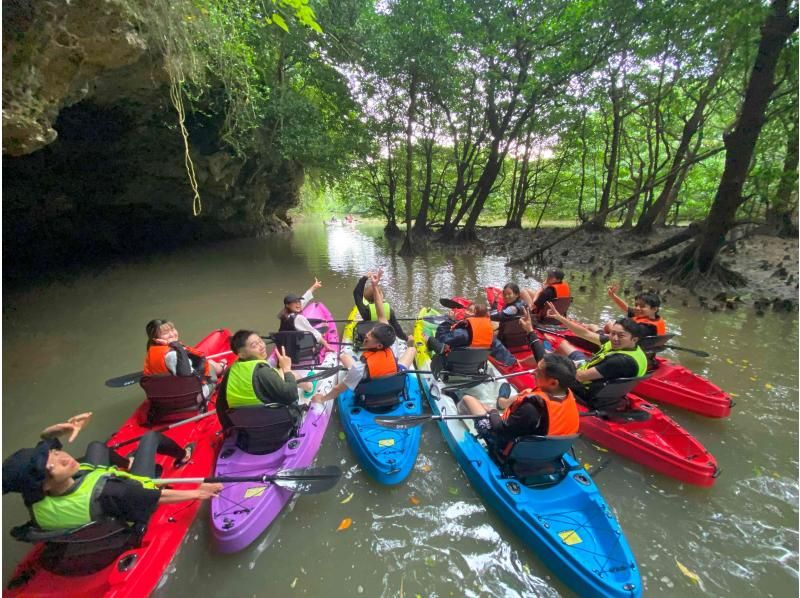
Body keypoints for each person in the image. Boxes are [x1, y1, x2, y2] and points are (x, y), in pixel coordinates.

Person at [2, 412, 221, 532]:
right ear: (44, 484)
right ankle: (183, 456)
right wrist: (198, 492)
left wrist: (52, 433)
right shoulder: (112, 491)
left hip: (91, 505)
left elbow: (23, 473)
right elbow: (157, 496)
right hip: (133, 495)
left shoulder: (32, 498)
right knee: (150, 438)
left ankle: (128, 462)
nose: (62, 457)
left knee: (96, 447)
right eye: (51, 466)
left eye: (54, 452)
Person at [312, 276, 416, 405]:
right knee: (411, 349)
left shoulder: (360, 368)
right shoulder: (392, 346)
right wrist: (374, 286)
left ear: (378, 345)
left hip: (369, 396)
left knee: (344, 357)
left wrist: (322, 399)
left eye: (371, 335)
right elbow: (381, 314)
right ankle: (409, 352)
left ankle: (344, 360)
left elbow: (338, 389)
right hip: (393, 384)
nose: (366, 334)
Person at [458, 353, 580, 462]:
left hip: (510, 451)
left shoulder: (531, 408)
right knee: (527, 393)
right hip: (546, 451)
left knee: (468, 400)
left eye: (538, 371)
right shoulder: (568, 396)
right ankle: (502, 402)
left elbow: (500, 430)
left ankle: (458, 415)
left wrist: (492, 412)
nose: (533, 372)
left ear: (553, 383)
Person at [538, 302, 648, 409]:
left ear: (634, 339)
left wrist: (561, 365)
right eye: (613, 333)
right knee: (563, 346)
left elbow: (580, 377)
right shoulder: (632, 349)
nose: (614, 338)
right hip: (604, 386)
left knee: (548, 362)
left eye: (621, 335)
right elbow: (585, 334)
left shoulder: (619, 362)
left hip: (587, 392)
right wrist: (560, 317)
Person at [216, 331, 304, 432]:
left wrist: (229, 431)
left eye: (260, 341)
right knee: (288, 374)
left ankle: (308, 387)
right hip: (275, 427)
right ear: (242, 354)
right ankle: (309, 389)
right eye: (254, 345)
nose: (261, 346)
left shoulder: (230, 371)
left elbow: (220, 406)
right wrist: (287, 368)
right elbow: (291, 395)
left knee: (278, 374)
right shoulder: (263, 371)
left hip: (247, 431)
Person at [143, 320, 225, 398]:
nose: (172, 334)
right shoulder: (172, 355)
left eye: (172, 329)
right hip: (191, 396)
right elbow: (187, 377)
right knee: (209, 364)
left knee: (203, 363)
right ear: (156, 340)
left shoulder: (152, 350)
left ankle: (220, 367)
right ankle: (221, 368)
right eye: (165, 333)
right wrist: (178, 346)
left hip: (165, 396)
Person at [426, 301, 517, 367]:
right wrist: (513, 361)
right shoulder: (490, 336)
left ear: (478, 316)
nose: (466, 312)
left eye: (470, 311)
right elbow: (501, 351)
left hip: (452, 367)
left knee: (430, 339)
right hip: (474, 369)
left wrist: (448, 321)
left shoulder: (461, 333)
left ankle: (426, 341)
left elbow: (440, 339)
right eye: (467, 309)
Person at [352, 269, 412, 342]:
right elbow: (397, 328)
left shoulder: (365, 311)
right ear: (379, 296)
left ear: (367, 299)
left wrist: (364, 278)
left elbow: (356, 294)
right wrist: (406, 338)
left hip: (370, 338)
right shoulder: (389, 311)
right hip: (383, 339)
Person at [277, 277, 332, 353]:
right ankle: (314, 347)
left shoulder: (284, 315)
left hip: (288, 343)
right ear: (287, 305)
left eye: (298, 302)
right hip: (298, 346)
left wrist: (314, 287)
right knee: (324, 327)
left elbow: (304, 299)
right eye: (295, 302)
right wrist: (326, 345)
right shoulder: (298, 318)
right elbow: (313, 332)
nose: (298, 304)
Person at [490, 283, 530, 351]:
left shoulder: (512, 309)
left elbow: (493, 316)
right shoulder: (525, 304)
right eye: (504, 294)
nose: (506, 296)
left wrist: (495, 303)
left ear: (517, 294)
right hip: (522, 340)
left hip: (506, 341)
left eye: (509, 294)